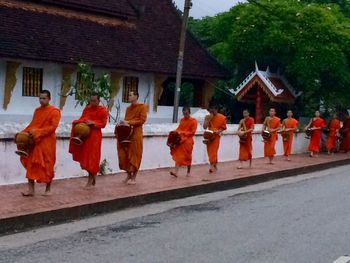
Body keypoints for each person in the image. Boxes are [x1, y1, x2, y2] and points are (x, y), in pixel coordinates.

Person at [19, 90, 61, 196]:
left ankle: (48, 189)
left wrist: (39, 132)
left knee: (48, 164)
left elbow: (53, 127)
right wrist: (23, 133)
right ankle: (31, 190)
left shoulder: (54, 111)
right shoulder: (37, 110)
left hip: (47, 142)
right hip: (35, 141)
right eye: (40, 98)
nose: (41, 100)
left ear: (49, 99)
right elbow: (33, 124)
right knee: (30, 164)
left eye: (44, 98)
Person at [69, 94, 108, 187]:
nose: (92, 102)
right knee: (85, 157)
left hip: (95, 136)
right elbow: (82, 118)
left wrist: (93, 123)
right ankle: (93, 175)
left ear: (99, 101)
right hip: (85, 135)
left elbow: (103, 124)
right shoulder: (87, 109)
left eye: (94, 101)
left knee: (92, 158)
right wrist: (80, 122)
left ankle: (90, 180)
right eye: (91, 100)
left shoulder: (103, 110)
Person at [117, 91, 147, 185]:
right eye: (128, 95)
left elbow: (142, 120)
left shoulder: (142, 107)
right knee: (123, 155)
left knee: (135, 155)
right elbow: (126, 121)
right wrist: (122, 123)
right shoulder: (128, 108)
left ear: (136, 96)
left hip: (136, 134)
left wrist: (129, 122)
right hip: (127, 134)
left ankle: (134, 177)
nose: (128, 96)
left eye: (130, 95)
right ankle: (129, 174)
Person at [169, 107, 198, 177]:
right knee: (178, 156)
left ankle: (188, 172)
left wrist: (183, 133)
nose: (185, 114)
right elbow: (179, 128)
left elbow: (192, 132)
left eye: (186, 113)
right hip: (181, 141)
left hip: (188, 141)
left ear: (189, 112)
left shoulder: (193, 121)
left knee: (188, 157)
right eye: (184, 113)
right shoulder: (182, 120)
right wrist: (174, 132)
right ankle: (176, 172)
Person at [203, 104, 227, 173]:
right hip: (209, 135)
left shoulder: (222, 117)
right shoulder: (208, 116)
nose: (211, 112)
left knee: (214, 151)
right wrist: (208, 119)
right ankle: (214, 164)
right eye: (210, 110)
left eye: (213, 110)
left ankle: (211, 166)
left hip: (216, 137)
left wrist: (218, 131)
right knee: (209, 151)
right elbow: (204, 127)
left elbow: (223, 128)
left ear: (216, 110)